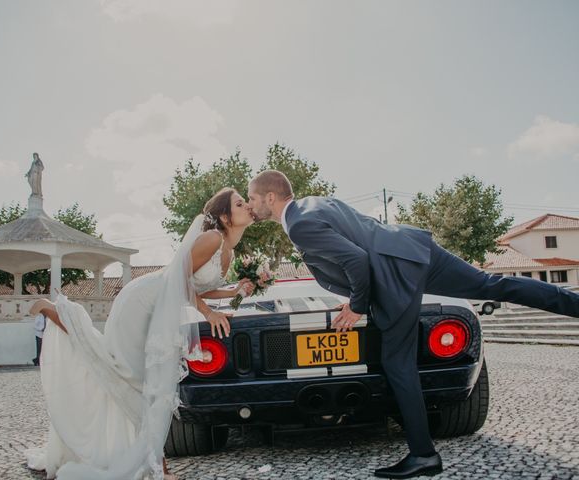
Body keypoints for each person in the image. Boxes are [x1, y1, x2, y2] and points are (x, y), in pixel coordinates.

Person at [247, 170, 579, 479]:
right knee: (492, 284)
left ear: (271, 197)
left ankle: (423, 455)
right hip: (412, 248)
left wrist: (358, 306)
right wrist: (354, 297)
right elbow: (360, 244)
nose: (251, 205)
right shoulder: (314, 203)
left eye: (253, 198)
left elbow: (356, 260)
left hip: (396, 275)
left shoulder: (298, 224)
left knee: (397, 363)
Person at [25, 188, 256, 480]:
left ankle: (156, 463)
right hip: (141, 302)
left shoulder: (228, 250)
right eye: (240, 203)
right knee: (126, 373)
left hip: (161, 307)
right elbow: (178, 279)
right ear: (225, 215)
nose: (247, 206)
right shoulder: (211, 238)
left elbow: (197, 286)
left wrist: (233, 290)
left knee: (149, 385)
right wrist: (208, 313)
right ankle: (58, 313)